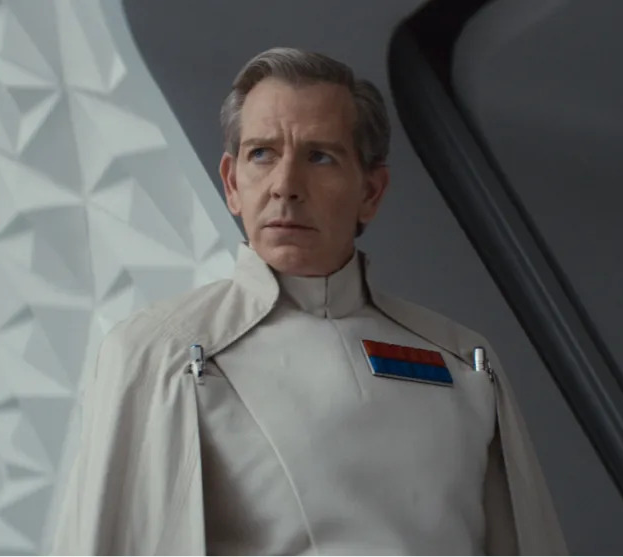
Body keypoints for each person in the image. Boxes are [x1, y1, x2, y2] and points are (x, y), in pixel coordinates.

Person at [52, 47, 567, 555]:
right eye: (262, 154)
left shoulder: (463, 359)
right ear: (232, 183)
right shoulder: (157, 353)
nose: (286, 186)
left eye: (320, 156)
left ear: (371, 191)